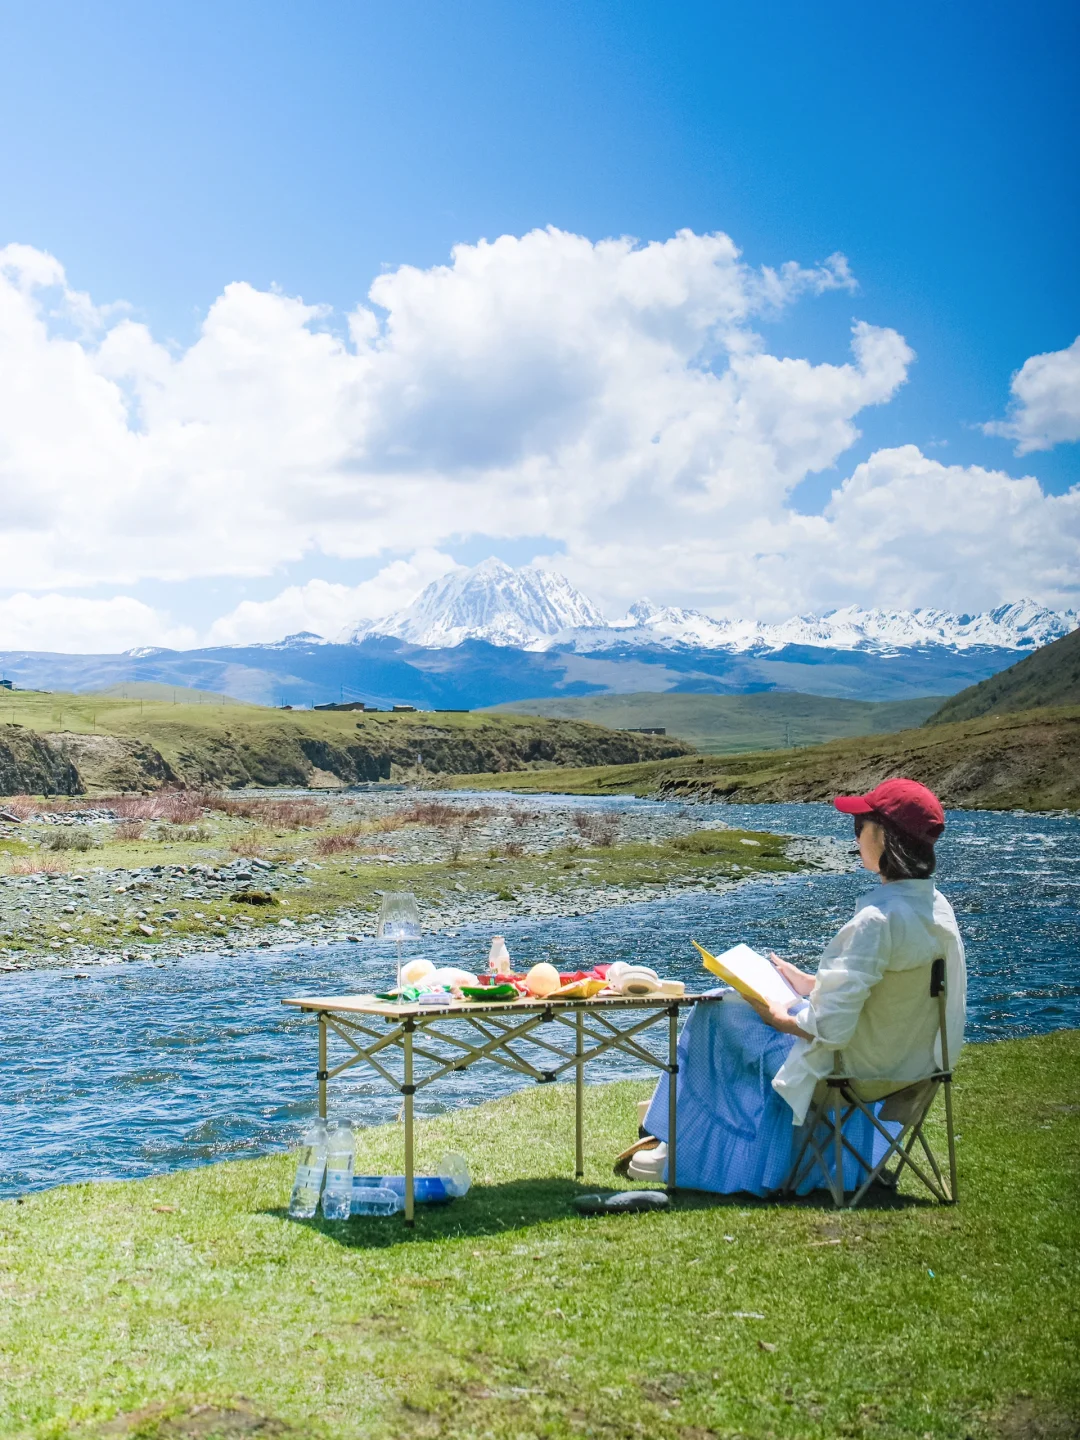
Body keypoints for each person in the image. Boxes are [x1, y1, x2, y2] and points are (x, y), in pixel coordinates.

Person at [624, 778, 967, 1195]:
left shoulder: (876, 922)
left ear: (885, 836)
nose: (856, 835)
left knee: (717, 1011)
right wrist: (810, 983)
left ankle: (680, 1146)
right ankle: (675, 1138)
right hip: (912, 1070)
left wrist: (778, 1014)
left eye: (861, 825)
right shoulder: (937, 910)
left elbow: (829, 1028)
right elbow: (890, 992)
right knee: (738, 1012)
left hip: (849, 1074)